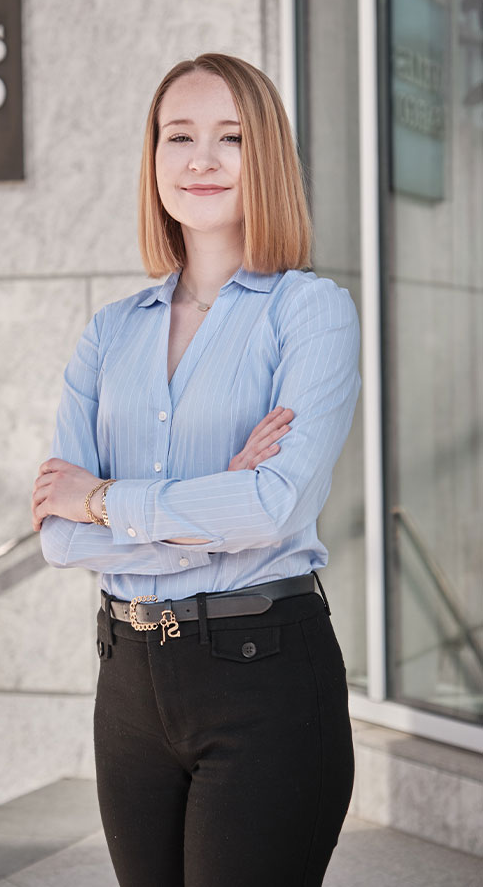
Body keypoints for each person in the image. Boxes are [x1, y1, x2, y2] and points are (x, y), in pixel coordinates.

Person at [31, 53, 360, 887]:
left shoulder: (308, 311)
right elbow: (60, 541)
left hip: (266, 683)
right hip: (128, 686)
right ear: (153, 159)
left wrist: (105, 499)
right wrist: (211, 507)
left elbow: (271, 507)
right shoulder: (110, 333)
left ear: (267, 160)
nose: (201, 159)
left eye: (230, 138)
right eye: (179, 136)